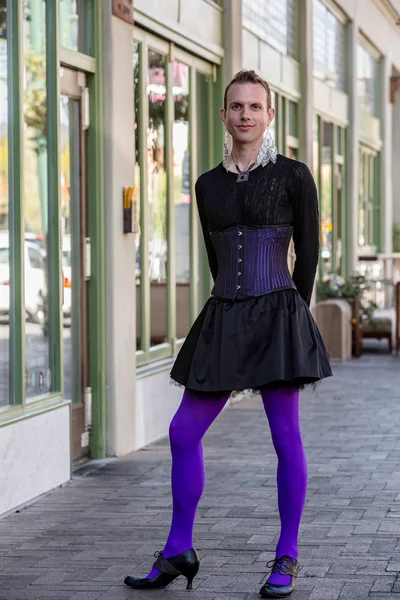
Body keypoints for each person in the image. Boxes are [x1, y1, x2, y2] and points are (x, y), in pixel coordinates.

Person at [124, 70, 332, 598]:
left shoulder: (293, 176)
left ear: (268, 116)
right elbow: (216, 257)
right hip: (224, 316)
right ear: (223, 116)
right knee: (182, 432)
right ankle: (177, 550)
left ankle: (287, 553)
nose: (245, 115)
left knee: (285, 438)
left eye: (254, 107)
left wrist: (295, 317)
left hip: (279, 314)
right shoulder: (207, 184)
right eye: (236, 106)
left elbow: (307, 253)